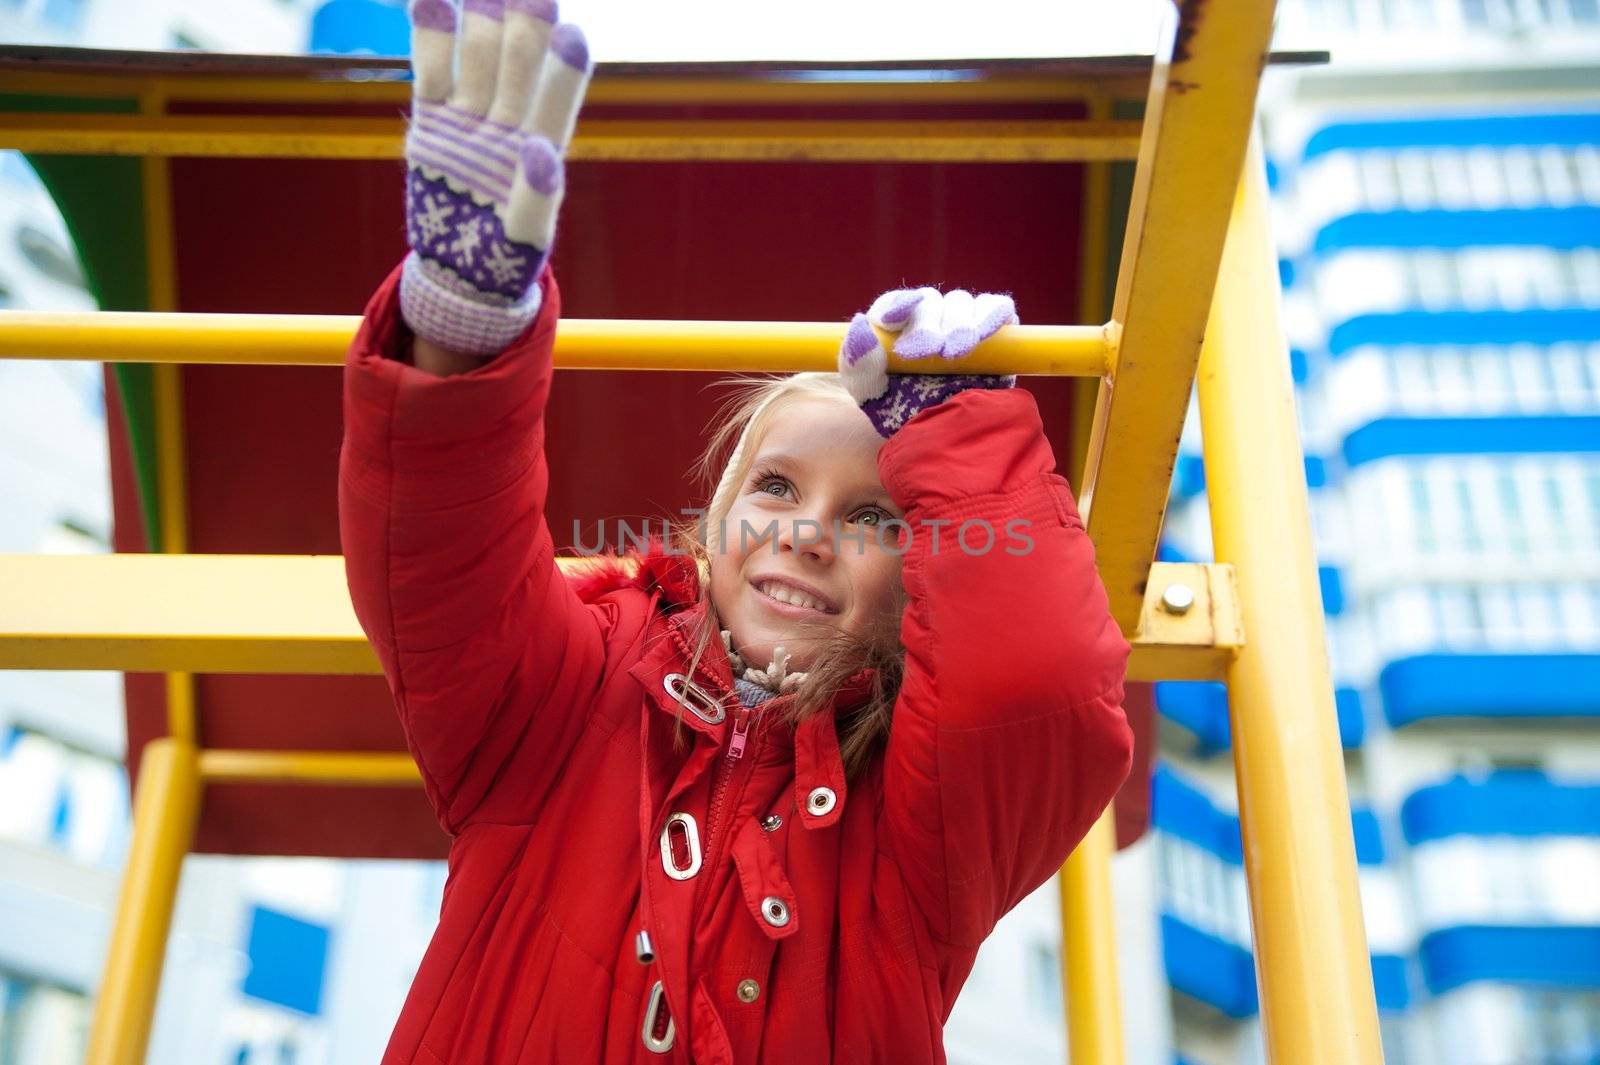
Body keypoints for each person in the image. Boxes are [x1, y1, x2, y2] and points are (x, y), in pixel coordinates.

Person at [338, 1, 1135, 1060]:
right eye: (772, 488)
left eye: (871, 518)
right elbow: (445, 555)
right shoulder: (561, 702)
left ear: (918, 594)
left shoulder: (922, 827)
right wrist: (459, 335)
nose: (805, 534)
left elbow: (1036, 689)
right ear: (713, 530)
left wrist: (966, 436)